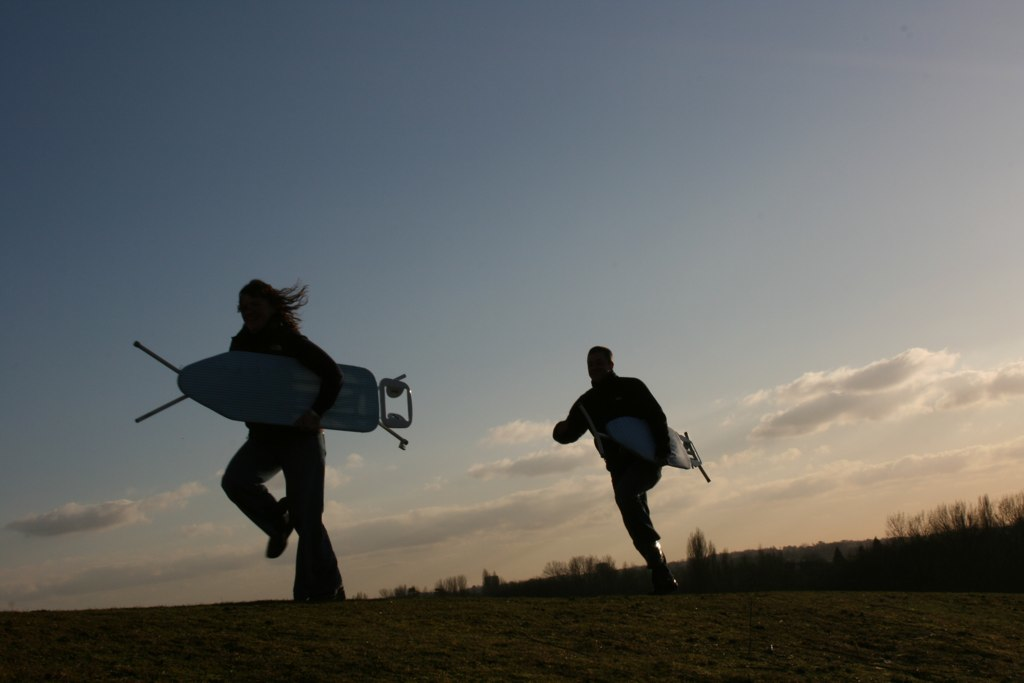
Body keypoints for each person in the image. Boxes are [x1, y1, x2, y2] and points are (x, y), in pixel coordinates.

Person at [220, 279, 345, 602]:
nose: (248, 313)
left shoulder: (289, 340)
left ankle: (321, 591)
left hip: (302, 437)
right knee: (236, 481)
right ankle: (278, 522)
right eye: (243, 309)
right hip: (264, 439)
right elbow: (240, 390)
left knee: (308, 517)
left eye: (255, 307)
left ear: (272, 306)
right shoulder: (239, 346)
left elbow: (333, 375)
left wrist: (316, 412)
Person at [552, 346, 679, 594]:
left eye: (599, 362)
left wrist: (663, 451)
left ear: (611, 364)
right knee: (635, 514)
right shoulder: (585, 403)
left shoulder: (632, 387)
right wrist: (559, 432)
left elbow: (657, 416)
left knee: (626, 496)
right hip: (618, 469)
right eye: (590, 363)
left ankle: (660, 570)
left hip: (645, 461)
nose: (594, 366)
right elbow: (571, 432)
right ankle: (661, 573)